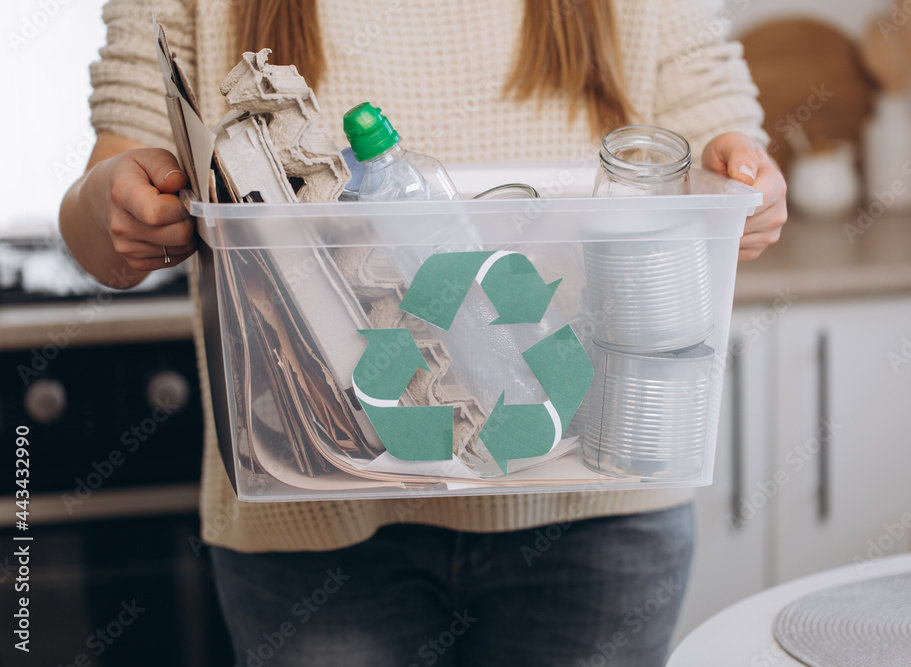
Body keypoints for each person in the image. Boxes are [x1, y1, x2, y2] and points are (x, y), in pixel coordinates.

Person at [60, 1, 786, 664]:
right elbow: (102, 224)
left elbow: (723, 153)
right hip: (315, 531)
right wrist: (114, 206)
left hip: (599, 508)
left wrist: (746, 185)